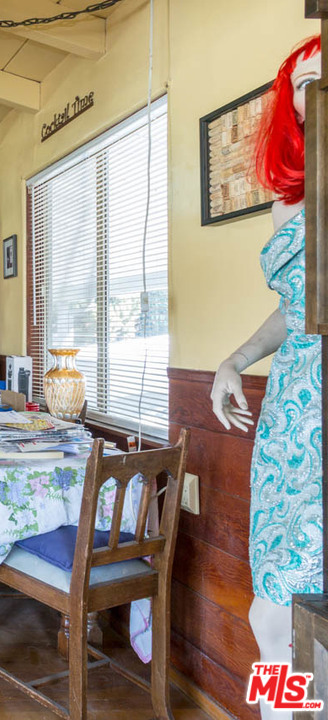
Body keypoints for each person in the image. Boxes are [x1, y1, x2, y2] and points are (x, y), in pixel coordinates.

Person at [210, 35, 323, 720]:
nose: (320, 92)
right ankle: (284, 714)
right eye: (306, 82)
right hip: (292, 412)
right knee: (271, 613)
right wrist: (235, 358)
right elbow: (298, 307)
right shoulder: (291, 201)